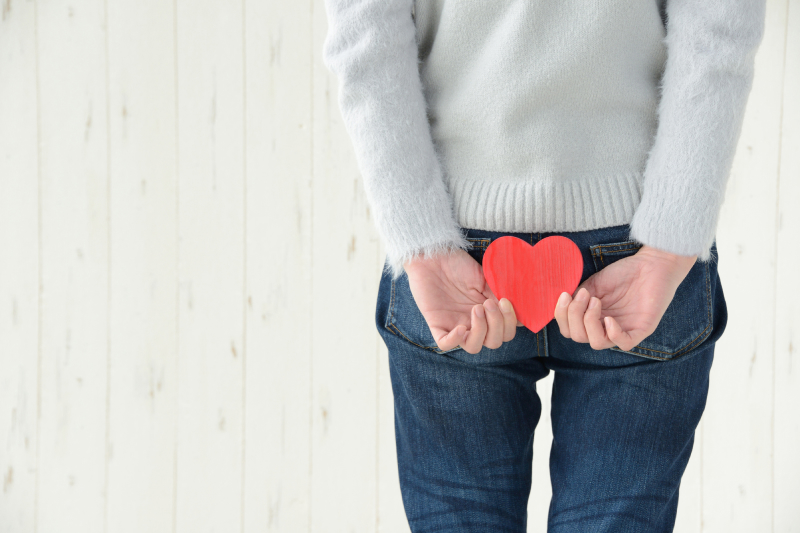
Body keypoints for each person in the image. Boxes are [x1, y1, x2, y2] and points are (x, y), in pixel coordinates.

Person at [321, 0, 766, 531]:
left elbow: (364, 33)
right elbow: (720, 24)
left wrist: (422, 241)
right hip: (638, 240)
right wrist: (670, 242)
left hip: (456, 244)